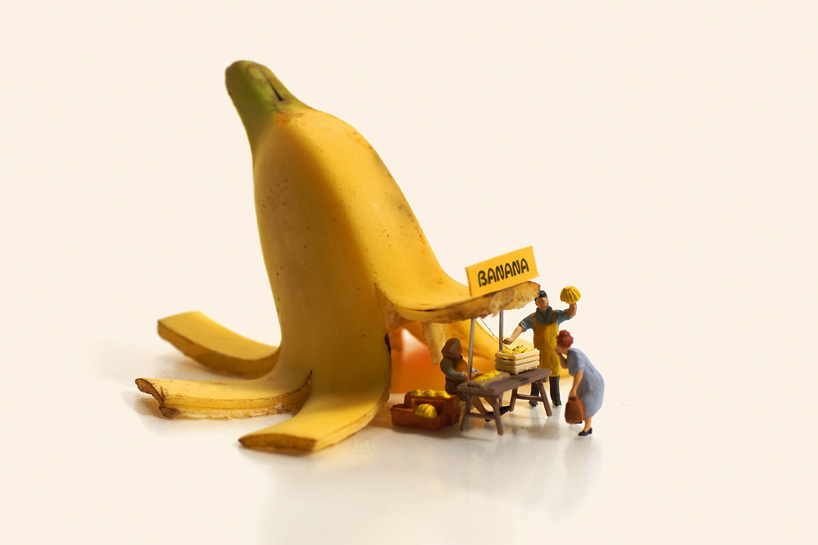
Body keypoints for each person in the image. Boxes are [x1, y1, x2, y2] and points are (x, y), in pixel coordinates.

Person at [503, 290, 576, 406]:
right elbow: (521, 326)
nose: (544, 303)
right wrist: (512, 338)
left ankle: (556, 401)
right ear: (536, 303)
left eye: (545, 300)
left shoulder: (556, 315)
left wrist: (573, 303)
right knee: (536, 380)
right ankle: (533, 400)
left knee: (555, 380)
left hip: (554, 356)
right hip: (538, 357)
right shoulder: (533, 318)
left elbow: (570, 314)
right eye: (541, 301)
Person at [440, 338, 508, 418]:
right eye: (457, 347)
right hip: (455, 386)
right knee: (471, 394)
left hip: (466, 382)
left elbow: (469, 368)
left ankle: (497, 408)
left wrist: (476, 371)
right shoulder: (445, 362)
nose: (460, 348)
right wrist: (461, 375)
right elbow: (450, 373)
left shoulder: (460, 358)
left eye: (460, 345)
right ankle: (484, 413)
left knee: (483, 390)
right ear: (451, 350)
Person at [555, 330, 603, 436]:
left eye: (557, 344)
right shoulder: (570, 354)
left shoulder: (576, 355)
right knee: (579, 401)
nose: (556, 346)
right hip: (583, 383)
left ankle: (587, 428)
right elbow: (565, 365)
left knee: (587, 404)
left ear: (561, 345)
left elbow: (579, 373)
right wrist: (559, 355)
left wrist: (574, 389)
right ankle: (579, 417)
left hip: (592, 383)